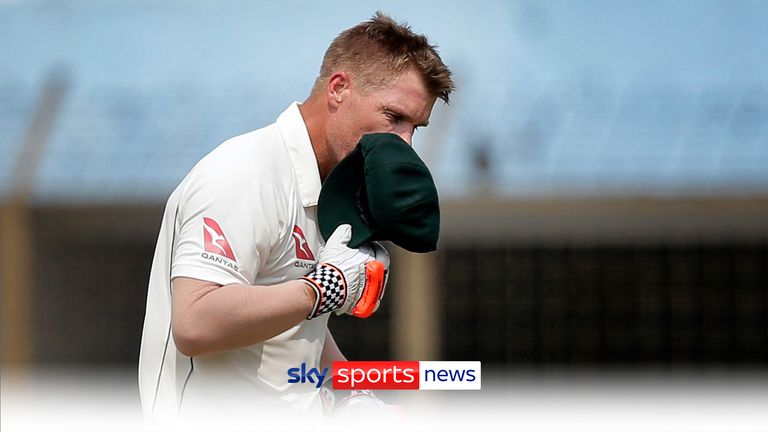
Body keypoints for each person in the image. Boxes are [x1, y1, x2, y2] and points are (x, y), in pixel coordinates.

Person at [138, 11, 454, 426]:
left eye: (416, 127)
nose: (406, 143)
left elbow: (296, 330)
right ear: (339, 89)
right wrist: (321, 288)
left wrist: (349, 392)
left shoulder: (335, 182)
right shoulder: (243, 173)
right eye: (394, 117)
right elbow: (195, 322)